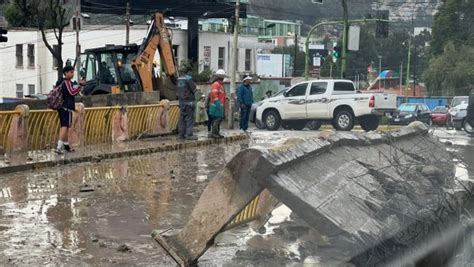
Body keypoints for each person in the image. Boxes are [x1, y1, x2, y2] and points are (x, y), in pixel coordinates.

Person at [55, 65, 85, 154]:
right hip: (65, 108)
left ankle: (66, 145)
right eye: (71, 72)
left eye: (73, 72)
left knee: (66, 126)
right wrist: (80, 86)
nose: (72, 74)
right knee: (64, 127)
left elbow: (71, 90)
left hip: (63, 107)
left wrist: (79, 85)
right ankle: (59, 147)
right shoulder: (66, 82)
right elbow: (72, 92)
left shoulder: (65, 82)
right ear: (66, 73)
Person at [177, 67, 198, 140]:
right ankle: (189, 134)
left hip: (181, 102)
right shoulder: (189, 79)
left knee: (182, 119)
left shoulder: (179, 79)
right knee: (189, 119)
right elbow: (194, 90)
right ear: (188, 71)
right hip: (189, 102)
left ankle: (181, 134)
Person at [209, 69, 227, 138]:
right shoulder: (216, 84)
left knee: (218, 120)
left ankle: (217, 133)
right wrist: (218, 104)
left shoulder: (221, 85)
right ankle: (214, 133)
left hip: (219, 106)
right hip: (216, 106)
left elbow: (221, 95)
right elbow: (214, 95)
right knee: (216, 120)